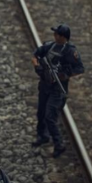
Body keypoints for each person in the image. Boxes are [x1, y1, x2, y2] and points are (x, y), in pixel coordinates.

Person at [31, 24, 85, 158]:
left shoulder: (70, 51)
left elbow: (80, 68)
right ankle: (42, 136)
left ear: (62, 37)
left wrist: (65, 75)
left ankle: (58, 144)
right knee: (41, 113)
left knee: (50, 116)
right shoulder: (50, 46)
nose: (54, 36)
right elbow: (35, 55)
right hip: (45, 85)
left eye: (57, 34)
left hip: (57, 89)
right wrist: (37, 67)